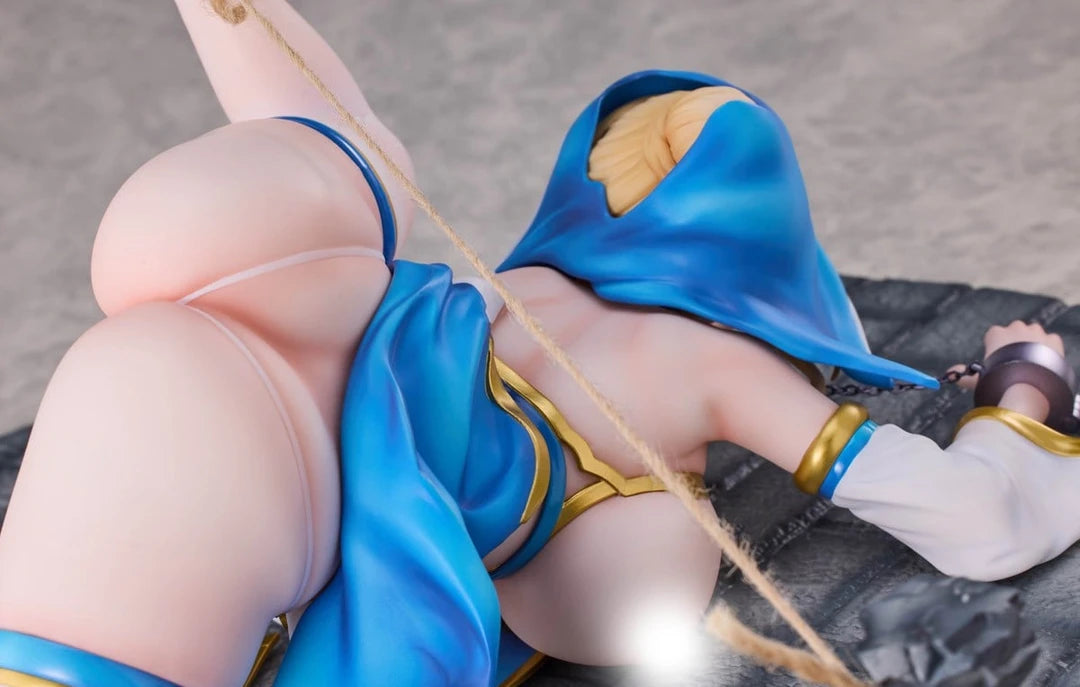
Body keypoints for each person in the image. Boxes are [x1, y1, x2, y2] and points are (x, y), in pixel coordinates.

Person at [1, 2, 1078, 686]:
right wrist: (1023, 389)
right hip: (250, 468)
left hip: (190, 413)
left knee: (359, 163)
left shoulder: (493, 287)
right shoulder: (705, 365)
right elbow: (980, 521)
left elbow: (329, 120)